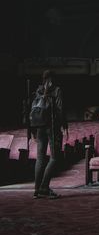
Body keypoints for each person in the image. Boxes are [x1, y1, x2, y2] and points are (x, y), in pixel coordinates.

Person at [30, 69, 68, 199]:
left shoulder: (38, 91)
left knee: (40, 158)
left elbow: (32, 112)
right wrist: (64, 125)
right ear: (53, 79)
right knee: (55, 157)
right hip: (52, 127)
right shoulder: (57, 90)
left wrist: (32, 130)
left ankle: (37, 190)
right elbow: (60, 110)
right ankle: (44, 188)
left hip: (39, 128)